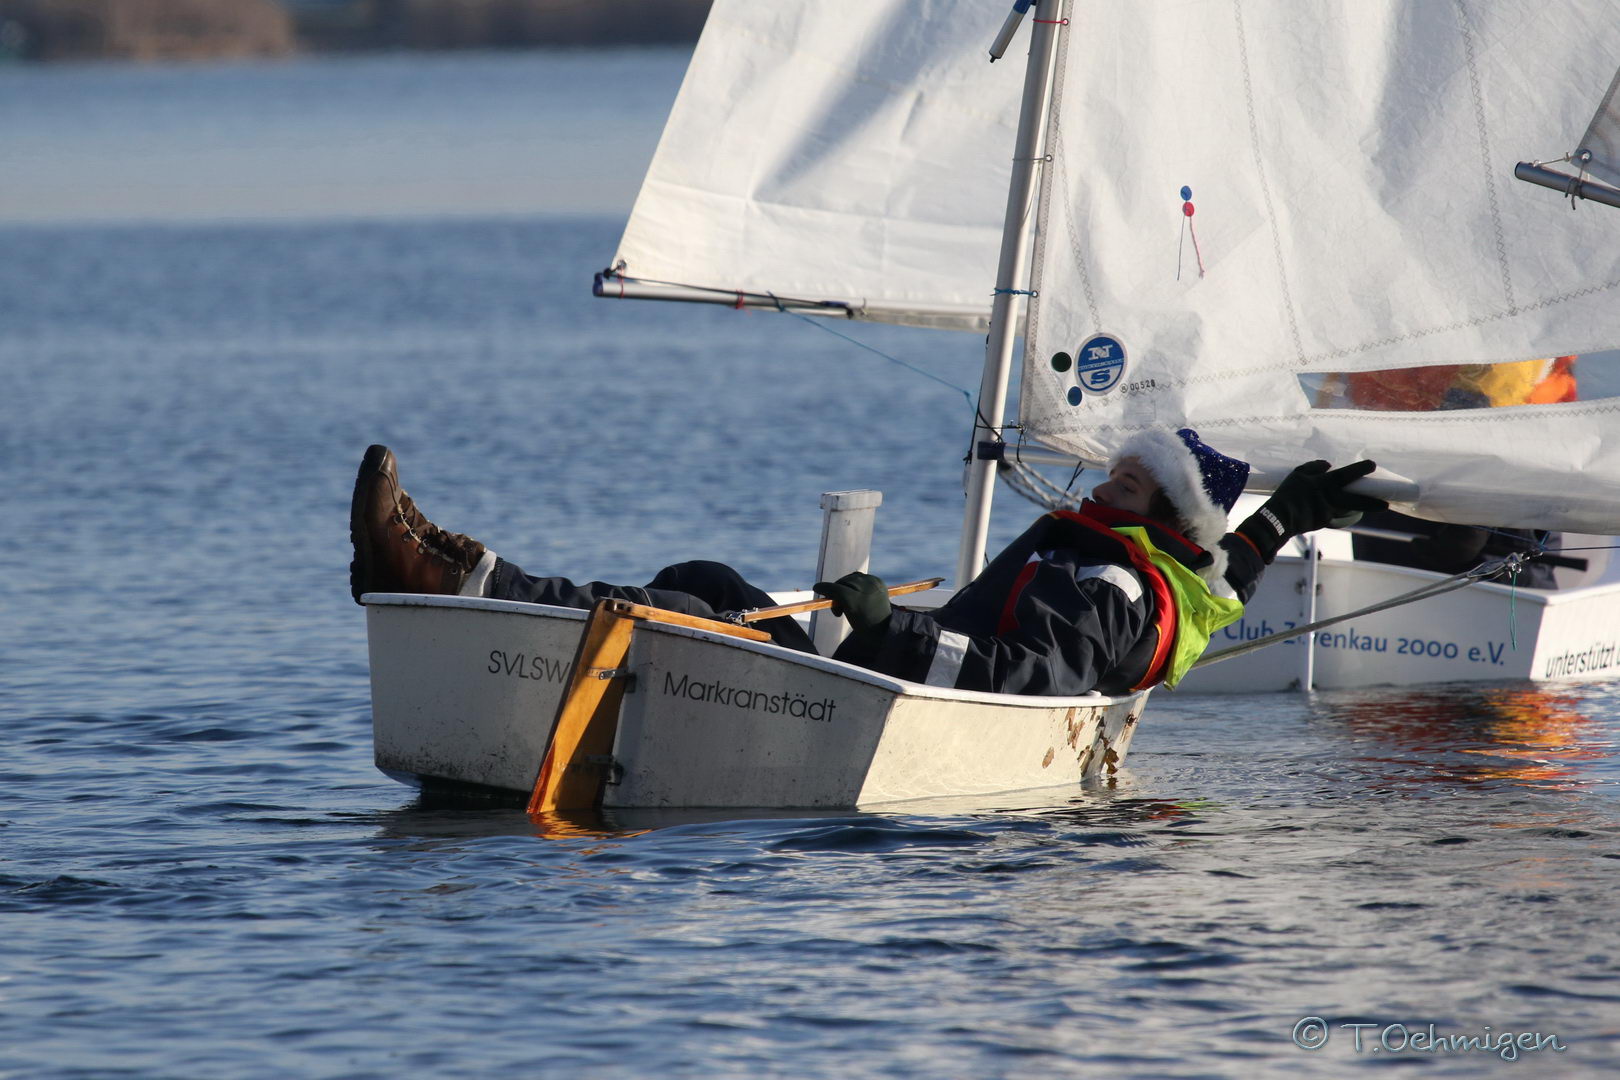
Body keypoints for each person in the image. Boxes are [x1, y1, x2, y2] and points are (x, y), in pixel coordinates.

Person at [349, 431, 1384, 697]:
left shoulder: (1112, 584)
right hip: (878, 681)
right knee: (708, 580)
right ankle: (458, 579)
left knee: (684, 611)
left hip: (892, 704)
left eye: (1125, 483)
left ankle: (457, 577)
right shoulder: (1143, 564)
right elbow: (1218, 580)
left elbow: (1022, 677)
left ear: (1161, 519)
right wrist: (1283, 518)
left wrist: (891, 626)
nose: (1101, 485)